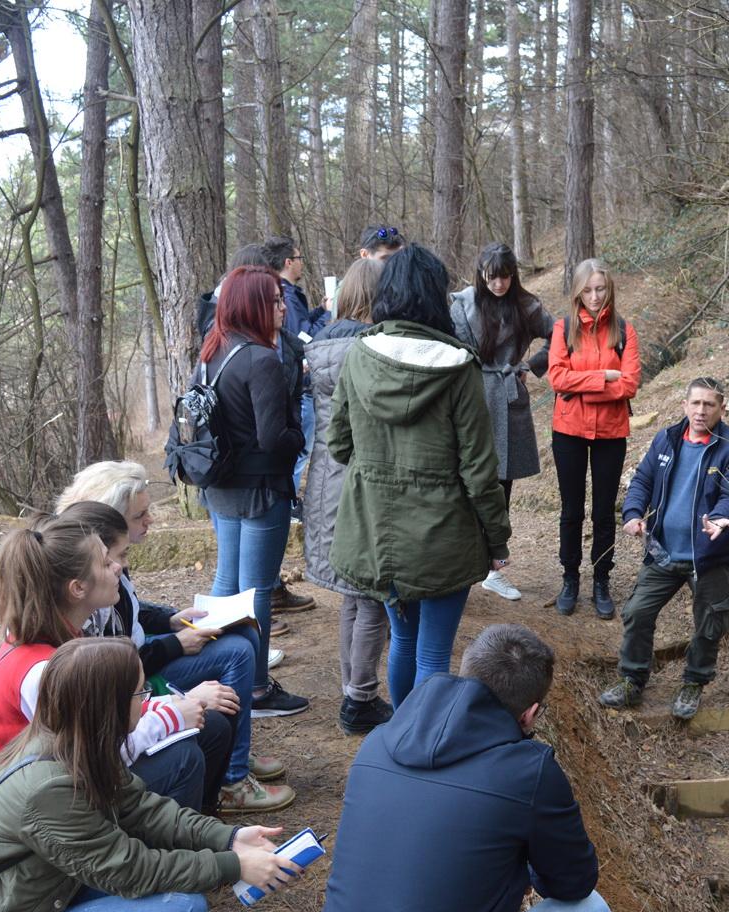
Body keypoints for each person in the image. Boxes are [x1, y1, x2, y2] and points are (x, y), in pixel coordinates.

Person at [0, 637, 303, 912]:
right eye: (140, 693)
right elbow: (133, 871)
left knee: (175, 892)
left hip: (41, 895)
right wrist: (232, 866)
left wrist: (228, 838)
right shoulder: (50, 788)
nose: (148, 699)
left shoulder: (74, 739)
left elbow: (146, 810)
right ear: (110, 706)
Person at [312, 624, 614, 912]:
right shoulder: (528, 772)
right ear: (530, 714)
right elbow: (574, 883)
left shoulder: (376, 743)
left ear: (465, 672)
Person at [327, 244, 511, 707]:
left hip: (377, 535)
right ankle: (422, 749)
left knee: (404, 643)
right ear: (436, 297)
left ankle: (399, 743)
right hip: (443, 537)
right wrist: (497, 538)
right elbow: (479, 469)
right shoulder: (460, 367)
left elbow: (338, 444)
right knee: (433, 653)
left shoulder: (358, 355)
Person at [0, 509, 230, 815]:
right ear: (78, 588)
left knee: (211, 726)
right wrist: (171, 717)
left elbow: (105, 714)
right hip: (37, 806)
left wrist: (180, 702)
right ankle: (164, 853)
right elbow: (94, 760)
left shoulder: (64, 638)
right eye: (106, 563)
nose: (118, 567)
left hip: (62, 777)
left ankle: (201, 828)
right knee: (183, 757)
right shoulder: (44, 671)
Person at [53, 486, 296, 814]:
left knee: (241, 636)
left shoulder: (98, 584)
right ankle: (231, 780)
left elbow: (135, 611)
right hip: (136, 688)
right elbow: (109, 711)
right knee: (235, 656)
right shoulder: (77, 629)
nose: (149, 520)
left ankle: (236, 756)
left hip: (139, 680)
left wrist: (171, 620)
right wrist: (181, 685)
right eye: (140, 515)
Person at [199, 266, 312, 736]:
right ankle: (257, 687)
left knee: (229, 578)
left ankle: (220, 672)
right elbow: (274, 438)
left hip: (220, 482)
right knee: (258, 588)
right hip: (261, 487)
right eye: (274, 301)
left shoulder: (212, 349)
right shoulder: (262, 360)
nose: (283, 309)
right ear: (252, 306)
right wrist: (299, 436)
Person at [598, 378, 729, 720]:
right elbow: (642, 481)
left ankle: (694, 683)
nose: (701, 411)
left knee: (710, 622)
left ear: (721, 409)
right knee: (637, 612)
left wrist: (722, 519)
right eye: (695, 403)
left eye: (709, 405)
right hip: (663, 551)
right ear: (684, 405)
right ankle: (632, 680)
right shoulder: (666, 440)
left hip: (709, 556)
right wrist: (633, 513)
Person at [304, 257, 395, 735]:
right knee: (372, 596)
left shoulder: (320, 345)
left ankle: (352, 690)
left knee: (352, 596)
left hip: (325, 479)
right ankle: (359, 699)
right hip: (361, 481)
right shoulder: (373, 349)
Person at [450, 242, 554, 602]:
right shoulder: (462, 304)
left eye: (505, 277)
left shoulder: (527, 305)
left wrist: (530, 366)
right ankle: (463, 563)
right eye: (492, 277)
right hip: (470, 395)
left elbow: (558, 335)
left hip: (507, 398)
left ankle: (495, 568)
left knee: (501, 483)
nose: (499, 284)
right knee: (466, 480)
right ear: (481, 275)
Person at [548, 257, 641, 620]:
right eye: (587, 289)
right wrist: (605, 377)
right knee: (572, 511)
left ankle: (601, 580)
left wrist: (584, 383)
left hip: (610, 432)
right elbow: (557, 378)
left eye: (600, 288)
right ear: (577, 291)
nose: (594, 296)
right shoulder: (563, 328)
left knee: (603, 512)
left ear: (610, 288)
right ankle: (570, 579)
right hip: (568, 429)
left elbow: (630, 383)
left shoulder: (623, 329)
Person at [264, 235, 324, 515]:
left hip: (299, 383)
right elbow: (305, 337)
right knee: (301, 449)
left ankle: (288, 502)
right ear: (289, 262)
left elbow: (300, 326)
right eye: (299, 258)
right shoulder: (285, 294)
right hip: (302, 383)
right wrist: (329, 317)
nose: (302, 264)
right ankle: (289, 504)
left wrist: (320, 310)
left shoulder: (285, 294)